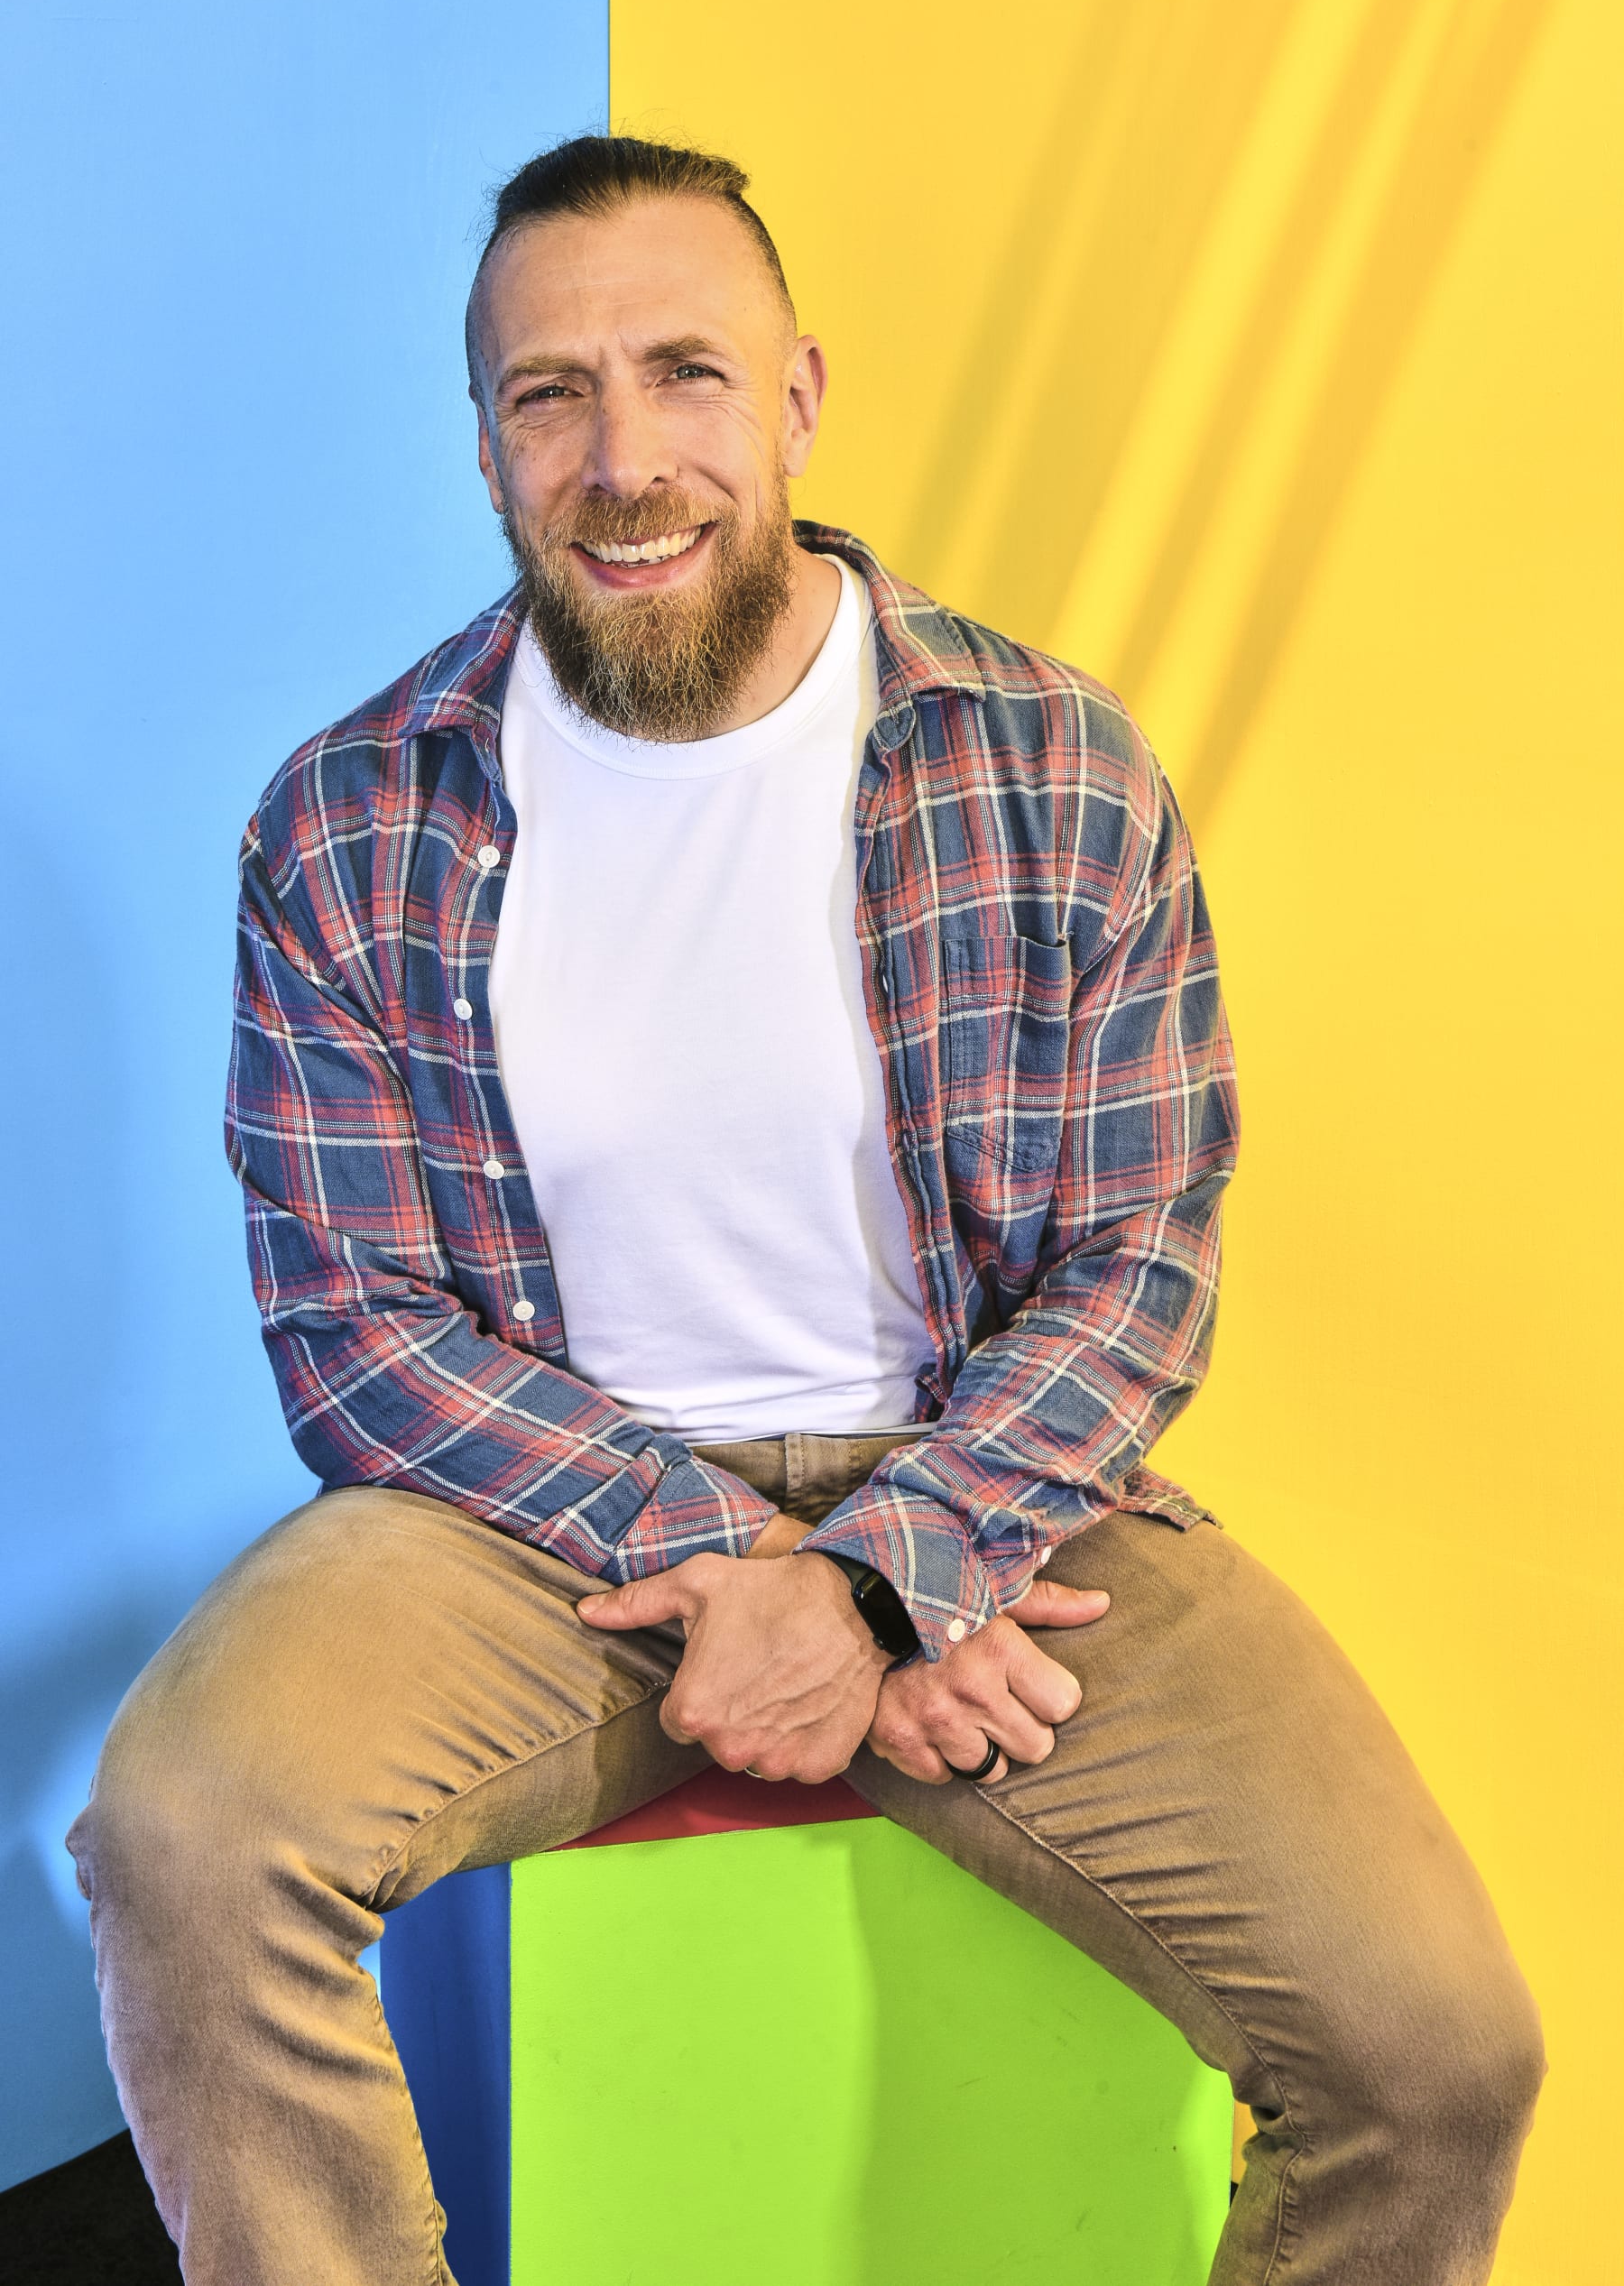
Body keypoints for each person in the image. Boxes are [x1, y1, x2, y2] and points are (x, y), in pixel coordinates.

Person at [69, 134, 1542, 2286]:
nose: (623, 454)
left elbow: (1137, 1266)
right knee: (183, 1836)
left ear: (798, 399)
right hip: (531, 1530)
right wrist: (745, 1569)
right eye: (548, 393)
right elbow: (359, 1326)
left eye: (684, 371)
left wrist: (886, 1578)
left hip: (1002, 1489)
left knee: (1442, 2046)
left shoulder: (1051, 764)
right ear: (483, 446)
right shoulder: (348, 817)